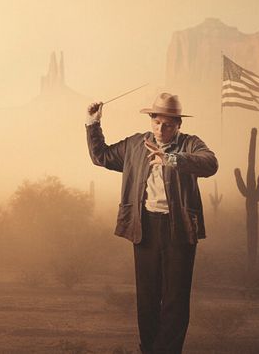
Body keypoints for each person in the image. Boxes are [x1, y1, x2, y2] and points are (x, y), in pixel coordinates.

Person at [86, 92, 218, 354]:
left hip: (179, 229)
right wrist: (93, 123)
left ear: (179, 124)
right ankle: (149, 349)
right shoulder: (135, 144)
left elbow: (210, 164)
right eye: (157, 122)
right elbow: (101, 156)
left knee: (175, 299)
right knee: (147, 297)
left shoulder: (190, 144)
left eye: (168, 124)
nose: (161, 129)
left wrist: (170, 159)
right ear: (151, 121)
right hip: (144, 227)